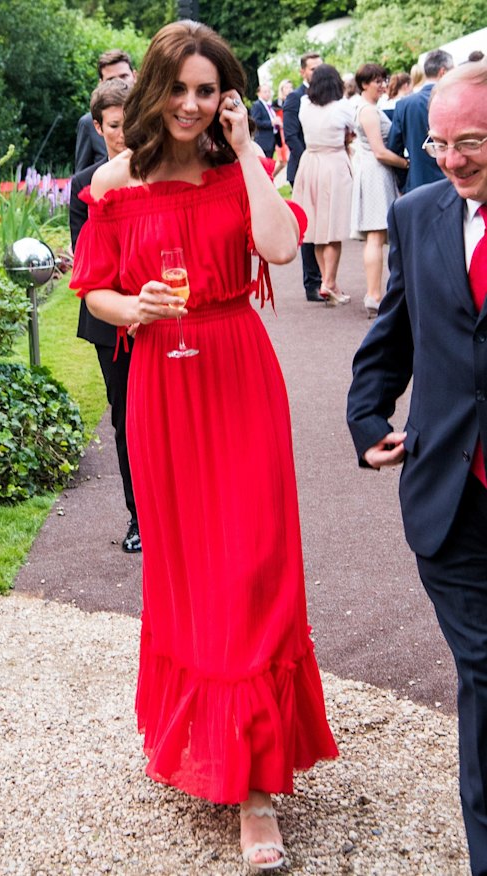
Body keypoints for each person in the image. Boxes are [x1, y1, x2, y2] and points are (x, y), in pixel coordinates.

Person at [70, 20, 338, 871]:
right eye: (179, 88)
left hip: (237, 373)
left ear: (225, 93)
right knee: (189, 566)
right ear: (154, 88)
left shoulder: (240, 170)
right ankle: (208, 749)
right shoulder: (117, 183)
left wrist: (250, 146)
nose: (191, 104)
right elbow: (94, 289)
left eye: (207, 89)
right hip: (161, 383)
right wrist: (135, 308)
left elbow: (281, 246)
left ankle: (256, 786)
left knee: (254, 562)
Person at [347, 60, 487, 876]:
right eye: (440, 141)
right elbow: (393, 336)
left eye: (470, 143)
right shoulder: (414, 213)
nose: (451, 159)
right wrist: (367, 419)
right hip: (450, 498)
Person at [70, 79, 141, 554]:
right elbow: (84, 259)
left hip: (163, 316)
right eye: (115, 126)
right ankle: (140, 516)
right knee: (127, 420)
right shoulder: (85, 185)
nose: (125, 133)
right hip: (109, 321)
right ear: (98, 128)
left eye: (131, 122)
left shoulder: (158, 172)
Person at [350, 63, 409, 318]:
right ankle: (374, 294)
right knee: (375, 235)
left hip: (373, 171)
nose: (383, 84)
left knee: (377, 235)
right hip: (376, 173)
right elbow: (380, 151)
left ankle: (375, 293)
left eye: (384, 80)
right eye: (377, 81)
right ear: (365, 84)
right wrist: (407, 162)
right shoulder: (368, 111)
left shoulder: (367, 108)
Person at [292, 63, 354, 305]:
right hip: (334, 163)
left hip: (310, 163)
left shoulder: (305, 106)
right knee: (333, 229)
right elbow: (353, 129)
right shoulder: (342, 107)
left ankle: (329, 283)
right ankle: (328, 282)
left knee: (316, 229)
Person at [283, 52, 323, 302]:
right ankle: (312, 283)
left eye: (320, 67)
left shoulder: (325, 96)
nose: (317, 72)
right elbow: (291, 136)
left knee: (323, 224)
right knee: (307, 227)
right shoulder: (295, 99)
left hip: (324, 169)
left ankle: (326, 279)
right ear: (303, 72)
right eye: (312, 69)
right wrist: (310, 161)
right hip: (302, 169)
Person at [388, 49, 454, 192]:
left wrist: (406, 182)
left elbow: (393, 148)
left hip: (418, 184)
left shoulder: (404, 104)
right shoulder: (454, 99)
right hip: (453, 181)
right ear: (443, 72)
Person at [74, 49, 137, 173]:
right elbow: (81, 175)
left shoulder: (152, 116)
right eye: (111, 79)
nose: (119, 82)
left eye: (124, 76)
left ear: (134, 76)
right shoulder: (88, 123)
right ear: (101, 83)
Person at [250, 82, 283, 158]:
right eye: (265, 92)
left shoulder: (269, 106)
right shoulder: (257, 105)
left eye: (269, 91)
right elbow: (255, 122)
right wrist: (271, 123)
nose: (268, 94)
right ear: (258, 93)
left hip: (272, 139)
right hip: (263, 140)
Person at [273, 78, 293, 176]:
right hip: (280, 134)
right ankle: (271, 177)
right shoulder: (276, 103)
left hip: (291, 130)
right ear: (282, 89)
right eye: (286, 87)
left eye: (290, 87)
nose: (289, 89)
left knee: (292, 158)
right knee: (282, 161)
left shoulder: (294, 100)